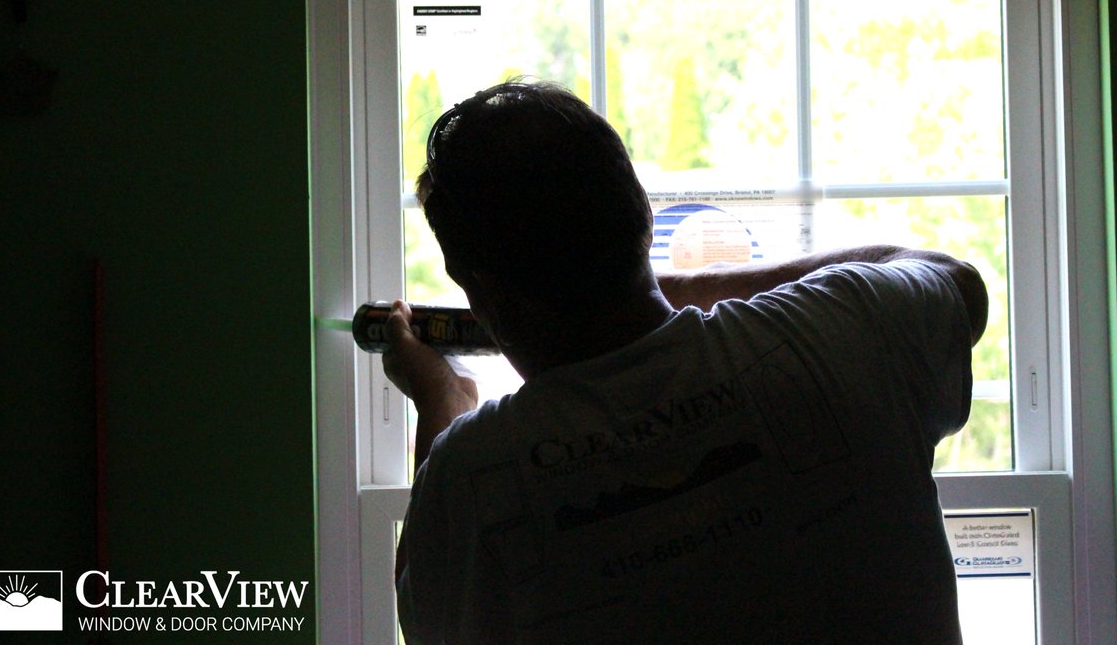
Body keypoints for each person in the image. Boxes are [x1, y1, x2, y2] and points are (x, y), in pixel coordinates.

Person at [383, 81, 987, 645]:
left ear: (476, 286)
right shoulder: (848, 330)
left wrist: (441, 397)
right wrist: (679, 284)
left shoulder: (470, 476)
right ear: (644, 212)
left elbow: (426, 610)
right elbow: (957, 284)